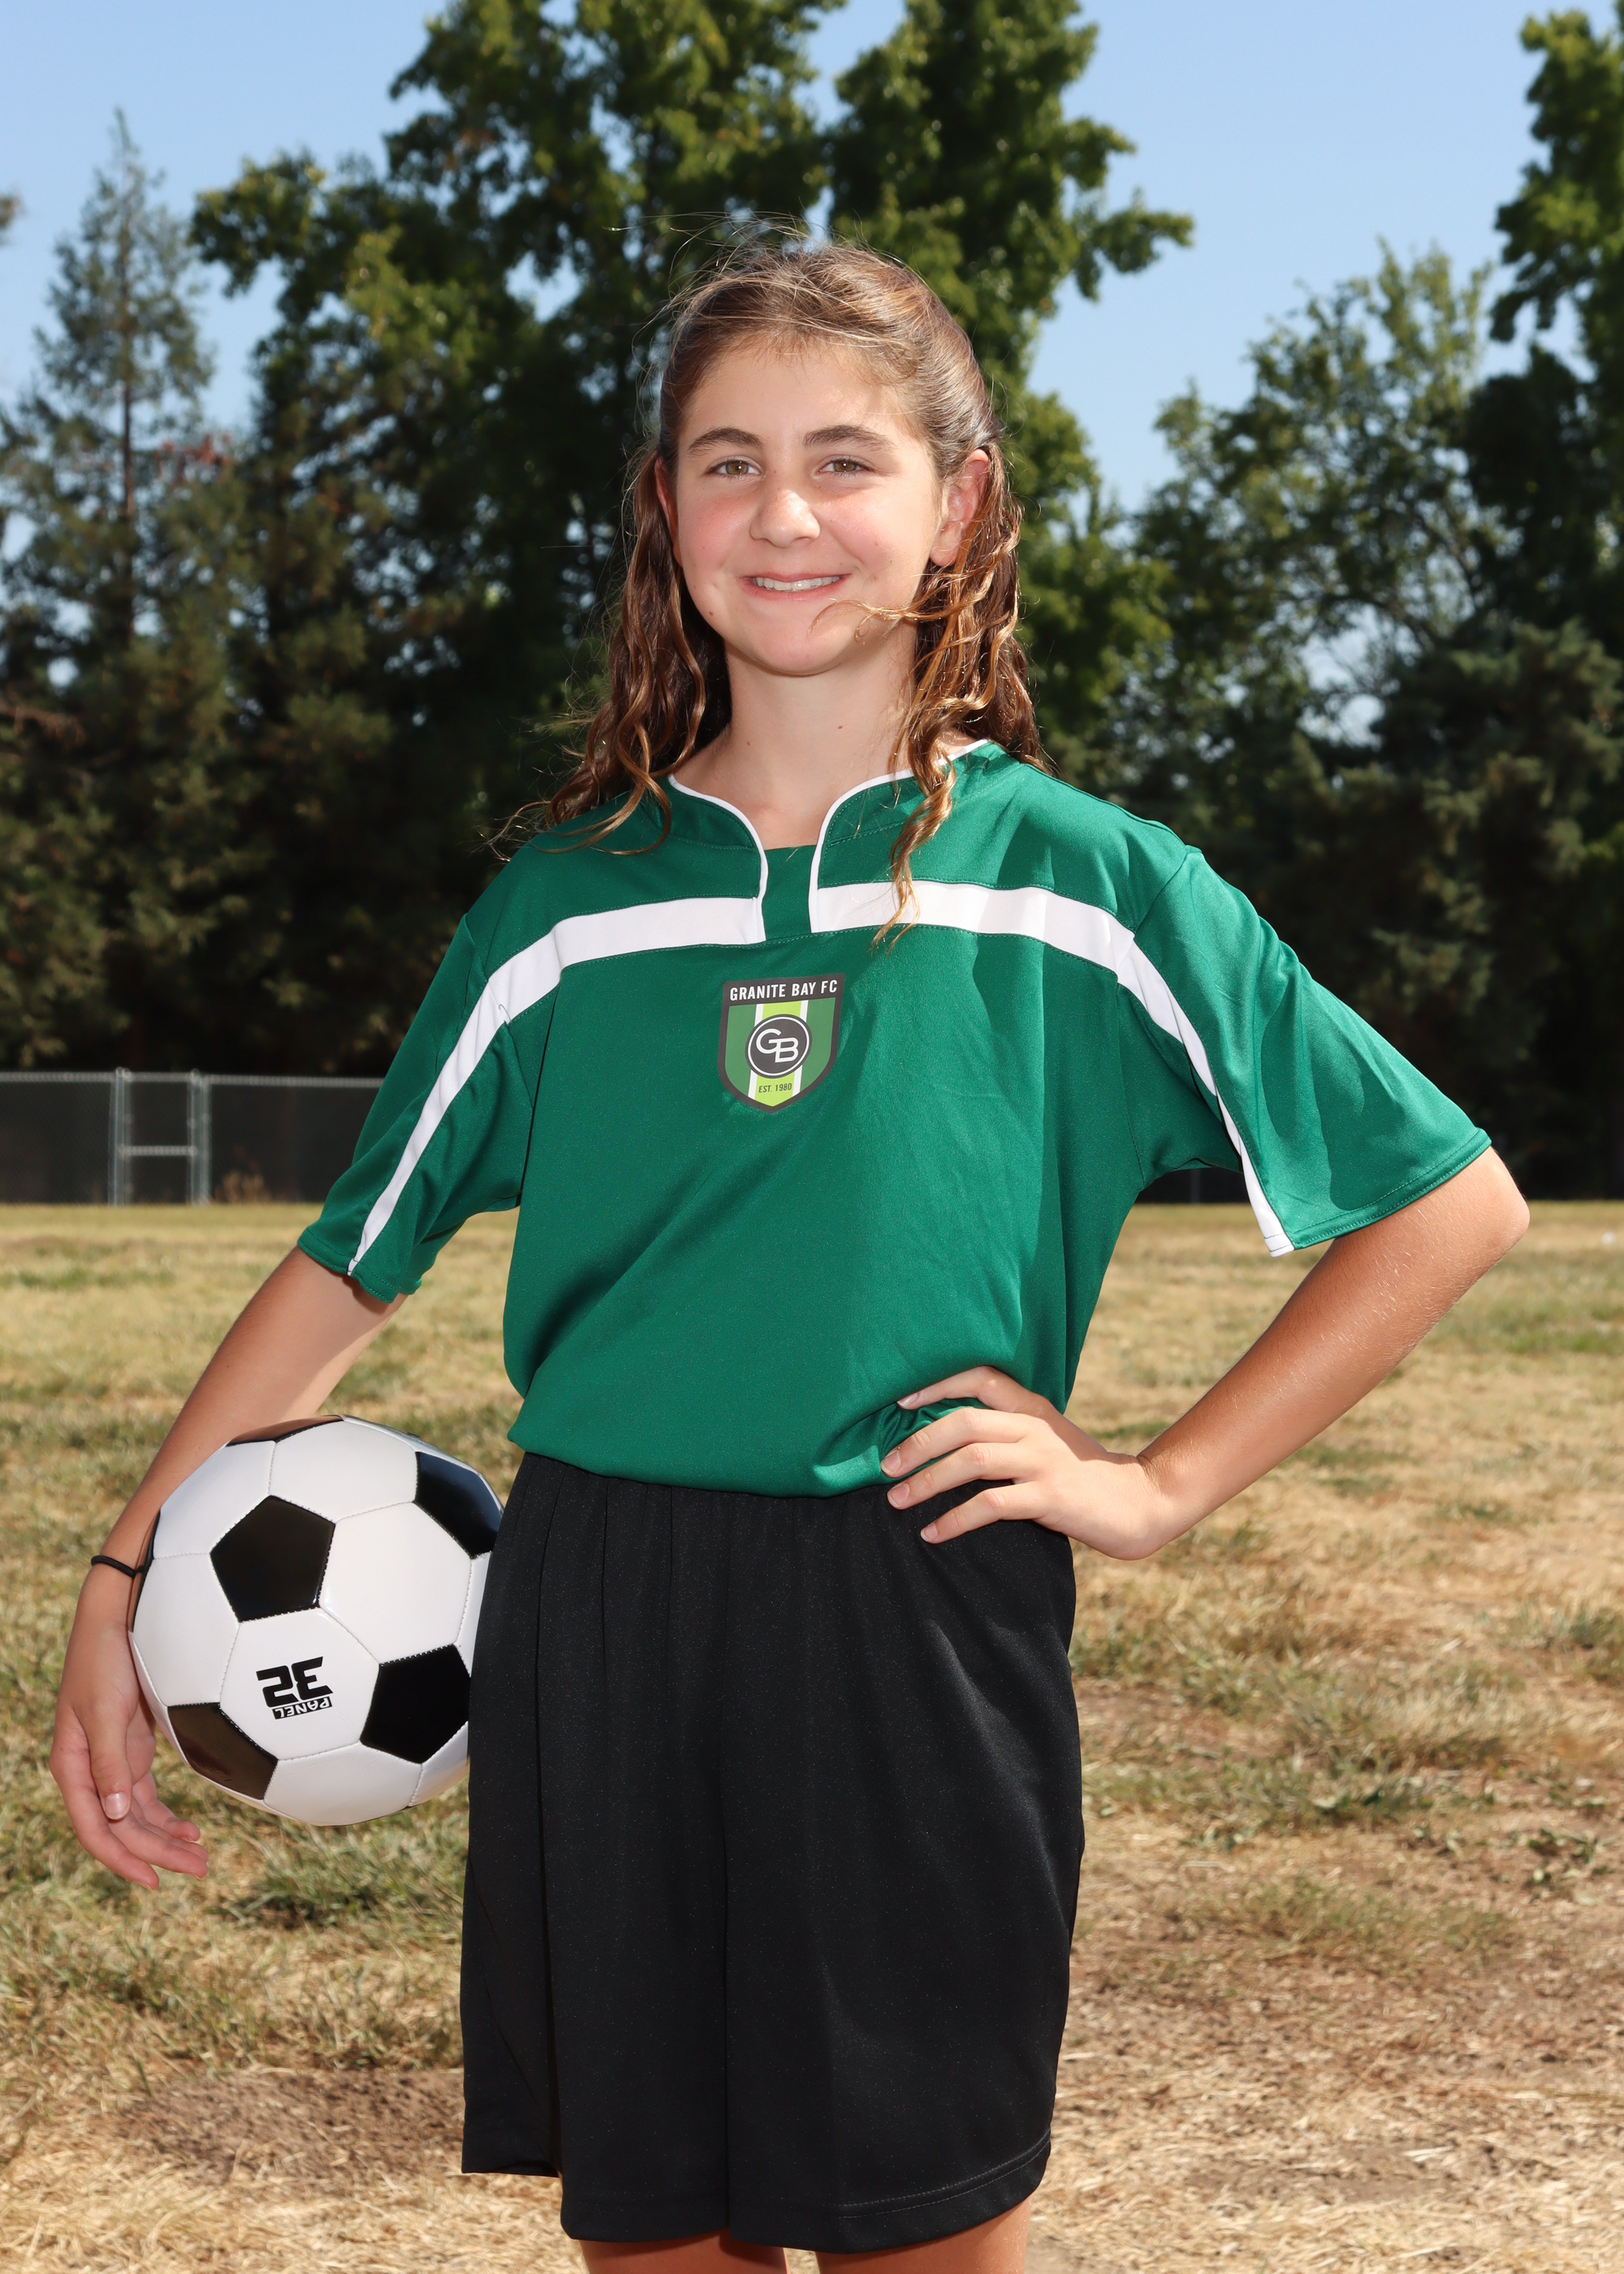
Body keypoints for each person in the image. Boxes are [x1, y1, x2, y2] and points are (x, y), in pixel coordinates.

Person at [52, 244, 1529, 2274]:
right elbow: (347, 1262)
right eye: (728, 460)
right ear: (665, 509)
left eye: (846, 459)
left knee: (929, 2232)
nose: (784, 512)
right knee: (657, 2242)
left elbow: (1446, 1199)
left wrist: (1162, 1482)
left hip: (913, 1606)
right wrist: (124, 1574)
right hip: (600, 1605)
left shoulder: (1077, 884)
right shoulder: (567, 905)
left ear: (960, 506)